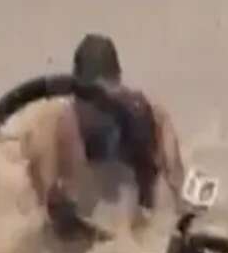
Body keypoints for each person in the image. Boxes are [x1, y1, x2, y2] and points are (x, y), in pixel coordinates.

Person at [23, 34, 185, 239]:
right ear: (118, 73)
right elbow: (177, 180)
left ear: (75, 79)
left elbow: (45, 194)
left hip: (87, 229)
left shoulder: (62, 119)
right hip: (140, 225)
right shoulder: (154, 113)